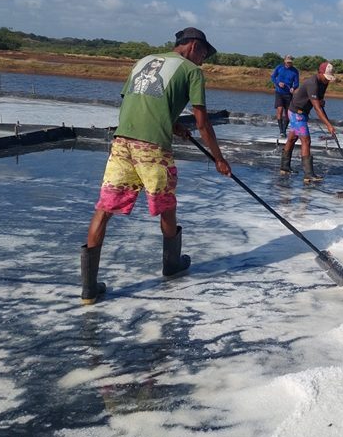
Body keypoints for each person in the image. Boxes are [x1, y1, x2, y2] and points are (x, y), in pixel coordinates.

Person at [80, 27, 232, 305]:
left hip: (122, 142)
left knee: (104, 209)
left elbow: (140, 102)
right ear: (193, 46)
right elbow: (202, 122)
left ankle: (88, 289)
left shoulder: (144, 61)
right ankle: (172, 264)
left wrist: (172, 124)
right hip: (152, 149)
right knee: (166, 205)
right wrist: (219, 159)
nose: (203, 60)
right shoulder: (192, 71)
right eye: (204, 54)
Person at [279, 61, 337, 183]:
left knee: (292, 138)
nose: (327, 80)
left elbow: (320, 104)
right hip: (296, 113)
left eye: (329, 78)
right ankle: (308, 175)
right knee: (306, 140)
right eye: (326, 77)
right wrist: (328, 125)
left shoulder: (324, 83)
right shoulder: (312, 83)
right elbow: (317, 108)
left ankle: (284, 167)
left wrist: (328, 122)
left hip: (303, 113)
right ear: (320, 73)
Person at [270, 54, 299, 137]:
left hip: (288, 94)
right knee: (280, 109)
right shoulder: (279, 67)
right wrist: (278, 83)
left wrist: (293, 88)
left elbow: (296, 83)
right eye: (287, 62)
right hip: (279, 92)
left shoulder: (295, 71)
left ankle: (284, 130)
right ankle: (281, 131)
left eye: (290, 62)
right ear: (284, 61)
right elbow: (273, 77)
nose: (289, 63)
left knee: (287, 113)